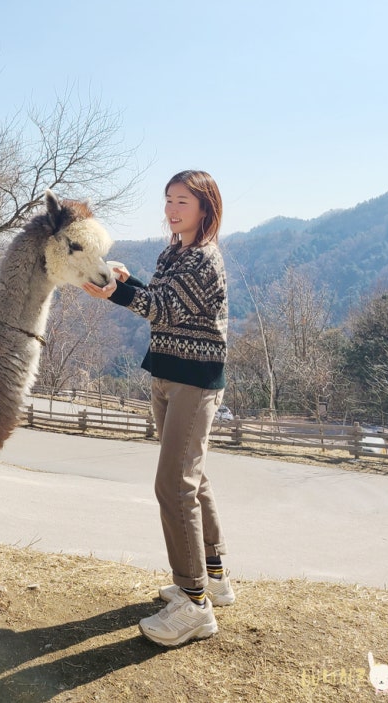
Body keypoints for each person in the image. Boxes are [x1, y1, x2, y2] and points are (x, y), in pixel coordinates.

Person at [83, 169, 235, 647]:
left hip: (193, 380)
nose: (171, 210)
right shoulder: (175, 251)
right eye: (168, 200)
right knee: (194, 478)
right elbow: (166, 300)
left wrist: (114, 288)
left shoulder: (205, 259)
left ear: (205, 208)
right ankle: (212, 578)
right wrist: (128, 282)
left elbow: (162, 308)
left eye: (182, 202)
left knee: (174, 485)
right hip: (169, 373)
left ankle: (194, 606)